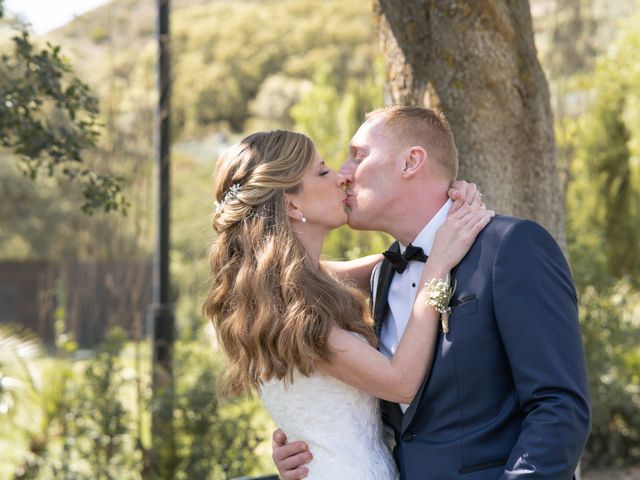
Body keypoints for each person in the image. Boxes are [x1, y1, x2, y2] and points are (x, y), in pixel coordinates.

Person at [272, 106, 591, 480]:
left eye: (358, 156)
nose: (344, 174)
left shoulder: (509, 248)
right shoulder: (380, 277)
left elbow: (558, 407)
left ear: (411, 162)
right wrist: (310, 445)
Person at [203, 129, 493, 479]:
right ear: (292, 205)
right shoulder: (298, 313)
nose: (341, 177)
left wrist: (449, 206)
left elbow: (402, 261)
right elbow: (401, 383)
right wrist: (438, 268)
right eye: (322, 172)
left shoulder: (296, 286)